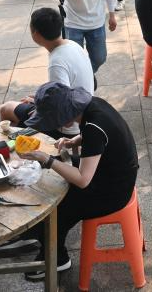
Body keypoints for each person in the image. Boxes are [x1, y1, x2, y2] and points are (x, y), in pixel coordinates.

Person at [14, 82, 138, 281]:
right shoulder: (94, 105)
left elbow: (82, 180)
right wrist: (75, 141)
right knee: (55, 179)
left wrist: (47, 159)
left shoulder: (94, 127)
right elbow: (99, 136)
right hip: (112, 171)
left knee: (56, 207)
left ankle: (58, 259)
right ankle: (38, 234)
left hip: (113, 191)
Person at [0, 9, 95, 137]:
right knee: (19, 110)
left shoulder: (57, 62)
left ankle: (14, 143)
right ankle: (18, 138)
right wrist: (37, 100)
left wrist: (39, 108)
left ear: (36, 33)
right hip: (85, 112)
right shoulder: (72, 44)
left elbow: (61, 105)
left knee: (5, 109)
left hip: (66, 129)